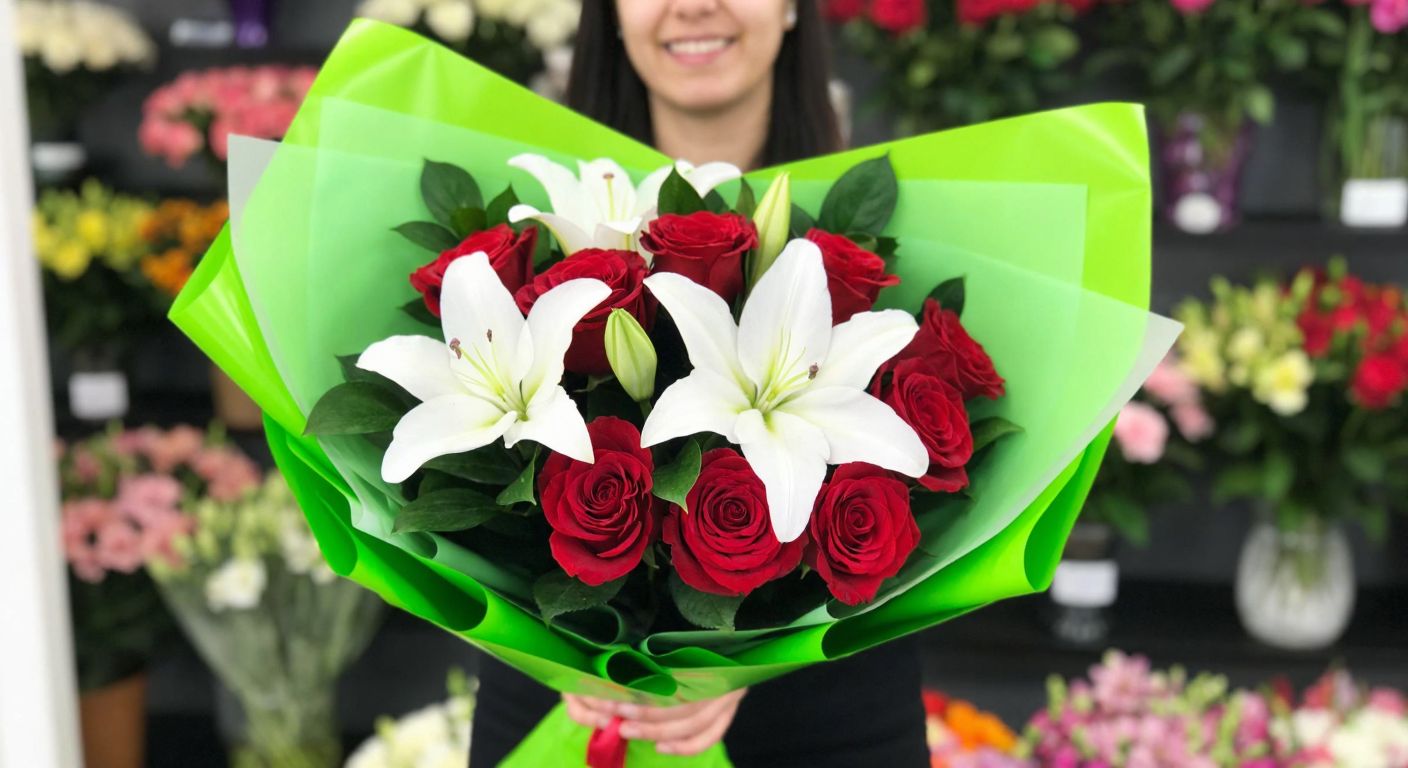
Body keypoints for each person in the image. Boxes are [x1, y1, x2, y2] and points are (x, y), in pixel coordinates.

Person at [468, 1, 929, 765]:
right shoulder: (548, 230)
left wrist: (748, 656)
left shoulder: (897, 236)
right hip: (568, 708)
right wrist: (568, 653)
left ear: (791, 8)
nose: (693, 4)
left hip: (832, 714)